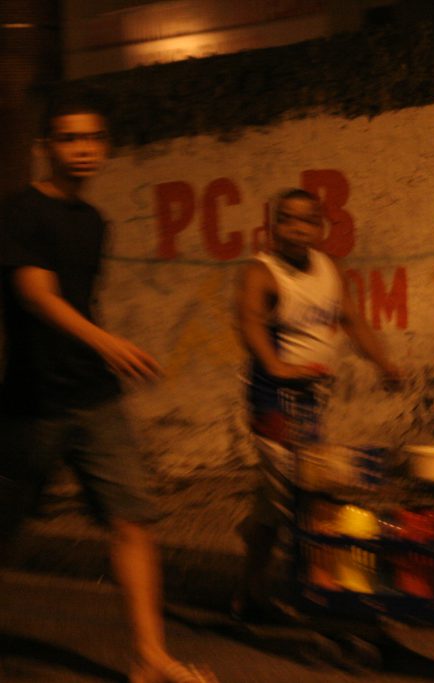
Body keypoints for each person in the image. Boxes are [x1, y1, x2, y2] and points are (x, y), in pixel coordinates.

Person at [0, 92, 217, 683]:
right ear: (47, 147)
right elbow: (35, 294)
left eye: (92, 138)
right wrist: (108, 343)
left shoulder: (94, 221)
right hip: (32, 402)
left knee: (131, 518)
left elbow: (74, 298)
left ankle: (150, 659)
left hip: (93, 398)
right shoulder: (22, 212)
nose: (83, 148)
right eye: (69, 138)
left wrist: (101, 352)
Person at [232, 187, 403, 619]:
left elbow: (351, 319)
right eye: (287, 220)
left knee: (275, 503)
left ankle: (250, 594)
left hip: (310, 400)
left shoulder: (327, 268)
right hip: (273, 401)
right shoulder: (262, 271)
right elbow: (248, 322)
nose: (297, 229)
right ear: (274, 227)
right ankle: (320, 595)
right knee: (305, 494)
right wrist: (275, 365)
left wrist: (384, 363)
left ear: (320, 226)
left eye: (306, 221)